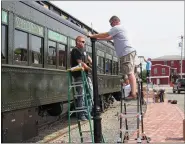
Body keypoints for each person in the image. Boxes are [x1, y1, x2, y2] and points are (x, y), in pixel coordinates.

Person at [88, 15, 137, 98]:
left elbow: (106, 34)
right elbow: (108, 37)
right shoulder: (120, 29)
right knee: (129, 73)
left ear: (115, 21)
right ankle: (133, 92)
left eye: (111, 24)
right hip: (126, 52)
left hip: (126, 52)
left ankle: (133, 93)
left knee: (130, 73)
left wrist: (93, 36)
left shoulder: (117, 27)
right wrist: (98, 39)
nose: (111, 26)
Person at [71, 36, 93, 121]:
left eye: (84, 42)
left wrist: (92, 63)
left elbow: (89, 59)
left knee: (90, 94)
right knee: (82, 95)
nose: (83, 43)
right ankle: (81, 114)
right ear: (77, 42)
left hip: (86, 75)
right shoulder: (75, 50)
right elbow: (81, 64)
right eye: (82, 41)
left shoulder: (84, 51)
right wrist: (90, 69)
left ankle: (88, 113)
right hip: (79, 76)